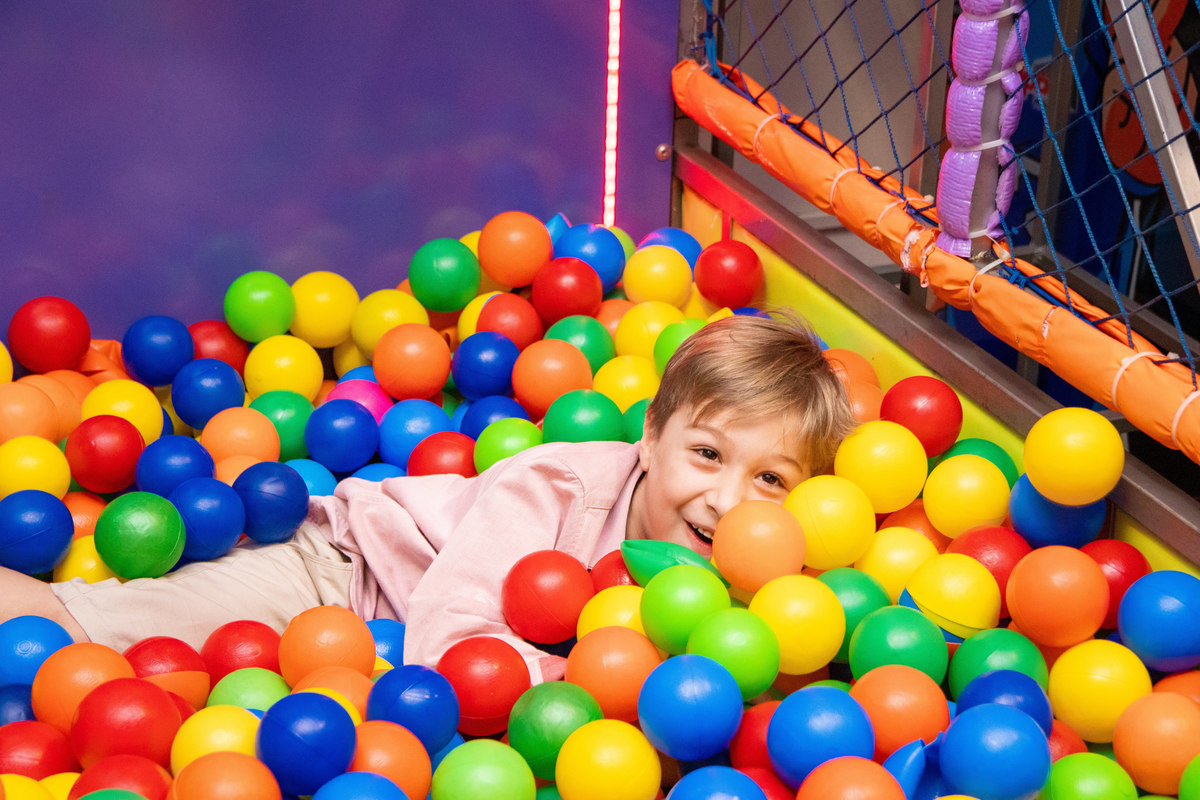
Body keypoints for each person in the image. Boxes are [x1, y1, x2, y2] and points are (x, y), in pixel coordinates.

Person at [0, 312, 856, 683]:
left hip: (381, 662)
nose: (726, 500)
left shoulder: (758, 581)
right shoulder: (555, 483)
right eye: (706, 453)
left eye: (770, 480)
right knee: (74, 639)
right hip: (339, 575)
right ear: (651, 436)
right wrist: (587, 679)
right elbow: (451, 630)